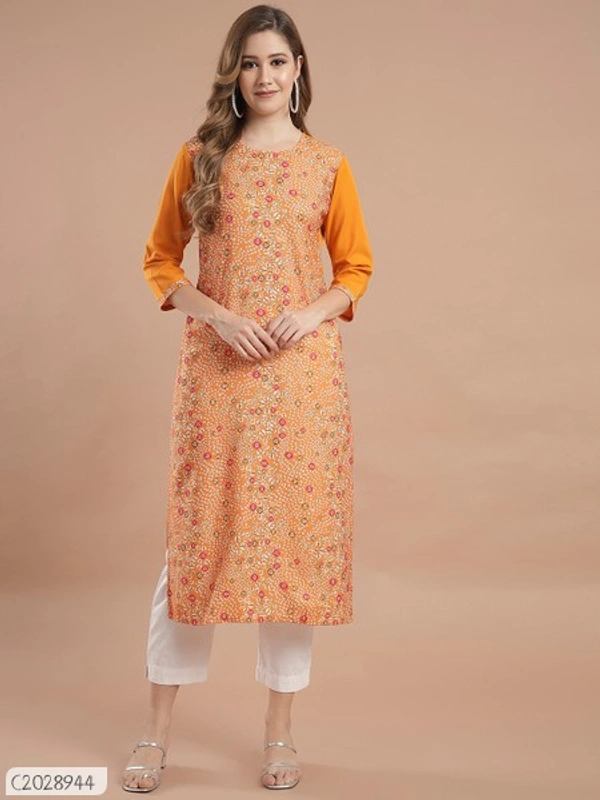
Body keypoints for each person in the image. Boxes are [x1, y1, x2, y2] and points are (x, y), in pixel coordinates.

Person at [122, 3, 373, 793]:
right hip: (217, 374)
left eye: (278, 62)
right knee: (195, 547)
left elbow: (356, 269)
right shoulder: (199, 158)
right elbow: (160, 262)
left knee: (291, 548)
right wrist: (221, 317)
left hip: (302, 382)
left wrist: (313, 310)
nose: (265, 76)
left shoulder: (328, 164)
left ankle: (279, 734)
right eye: (252, 62)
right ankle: (155, 732)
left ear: (299, 72)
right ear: (234, 72)